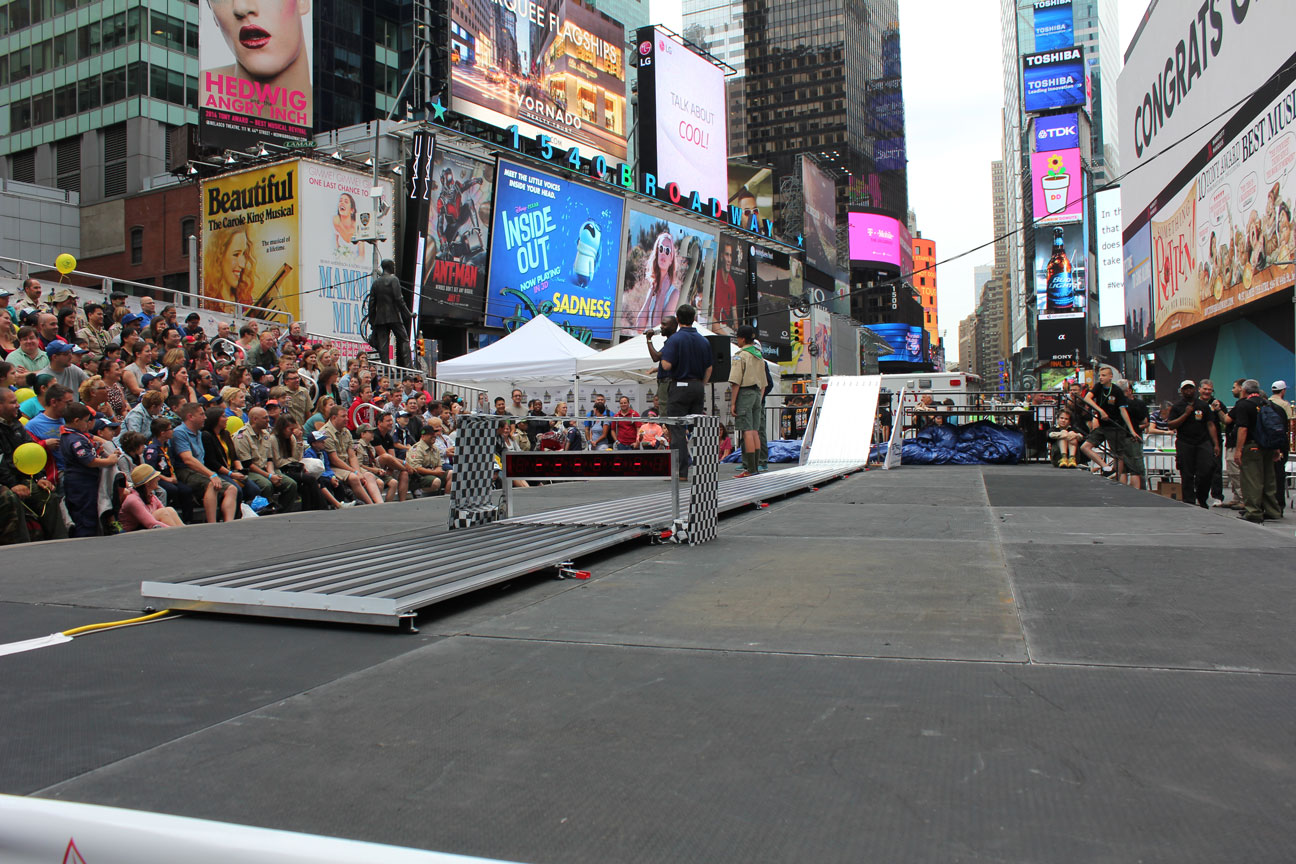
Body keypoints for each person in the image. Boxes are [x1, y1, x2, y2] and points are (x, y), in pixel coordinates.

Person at [202, 0, 312, 128]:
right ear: (213, 15)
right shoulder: (199, 99)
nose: (241, 8)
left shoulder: (329, 122)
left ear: (302, 1)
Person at [0, 387, 67, 543]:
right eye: (12, 402)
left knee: (47, 494)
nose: (18, 405)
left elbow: (32, 451)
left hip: (23, 478)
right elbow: (1, 463)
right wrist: (13, 485)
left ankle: (59, 541)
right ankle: (23, 544)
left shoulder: (16, 425)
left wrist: (40, 477)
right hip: (6, 482)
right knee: (11, 498)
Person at [659, 303, 713, 481]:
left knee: (677, 431)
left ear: (678, 319)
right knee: (699, 429)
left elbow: (666, 365)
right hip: (698, 386)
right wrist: (700, 384)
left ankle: (681, 473)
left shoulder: (675, 340)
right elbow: (710, 368)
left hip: (679, 386)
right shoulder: (704, 340)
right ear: (694, 318)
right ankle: (705, 471)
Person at [171, 402, 239, 524]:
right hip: (185, 471)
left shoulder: (200, 433)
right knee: (212, 484)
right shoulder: (180, 433)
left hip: (200, 470)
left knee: (232, 489)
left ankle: (229, 523)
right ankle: (211, 524)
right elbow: (188, 460)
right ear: (190, 416)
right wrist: (211, 474)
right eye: (201, 414)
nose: (205, 417)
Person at [59, 403, 116, 536]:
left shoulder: (78, 435)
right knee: (85, 513)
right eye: (86, 421)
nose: (88, 424)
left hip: (87, 480)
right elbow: (89, 461)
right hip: (81, 482)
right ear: (76, 421)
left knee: (92, 510)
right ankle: (85, 538)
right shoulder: (75, 440)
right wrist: (109, 461)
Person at [1232, 379, 1283, 523]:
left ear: (1244, 390)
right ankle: (1273, 510)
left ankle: (1253, 511)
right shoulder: (1267, 403)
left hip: (1252, 446)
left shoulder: (1244, 404)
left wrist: (1238, 451)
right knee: (1269, 479)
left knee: (1252, 480)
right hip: (1268, 446)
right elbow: (1272, 427)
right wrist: (1276, 448)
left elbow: (1243, 428)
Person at [235, 406, 298, 512]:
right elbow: (247, 464)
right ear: (255, 419)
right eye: (265, 418)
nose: (268, 420)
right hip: (250, 471)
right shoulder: (242, 436)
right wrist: (269, 476)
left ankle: (283, 512)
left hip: (265, 468)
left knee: (291, 484)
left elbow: (269, 459)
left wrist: (272, 474)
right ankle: (267, 511)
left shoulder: (265, 434)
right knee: (266, 485)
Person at [1165, 380, 1217, 508]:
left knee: (1206, 471)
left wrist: (1216, 444)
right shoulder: (1177, 407)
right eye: (1186, 389)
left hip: (1202, 442)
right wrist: (1186, 413)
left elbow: (1210, 424)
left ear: (1195, 390)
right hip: (1185, 442)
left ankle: (1202, 498)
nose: (1189, 391)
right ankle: (1189, 500)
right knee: (1187, 473)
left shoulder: (1203, 405)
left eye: (1191, 388)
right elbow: (1171, 424)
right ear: (1181, 391)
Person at [1079, 367, 1138, 475]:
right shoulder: (1098, 387)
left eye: (1104, 375)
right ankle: (1105, 466)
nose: (1101, 377)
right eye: (1100, 375)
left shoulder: (1117, 391)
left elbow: (1123, 411)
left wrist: (1132, 430)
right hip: (1102, 426)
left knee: (1118, 454)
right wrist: (1100, 411)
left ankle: (1117, 476)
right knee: (1085, 447)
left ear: (1111, 377)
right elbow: (1087, 398)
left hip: (1115, 426)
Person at [728, 325, 769, 478]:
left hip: (745, 394)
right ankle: (756, 467)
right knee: (755, 431)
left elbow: (736, 381)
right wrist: (758, 396)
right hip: (758, 394)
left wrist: (733, 403)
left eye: (738, 338)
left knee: (747, 432)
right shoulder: (759, 356)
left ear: (742, 339)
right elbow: (764, 383)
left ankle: (750, 469)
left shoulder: (741, 355)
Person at [321, 405, 384, 504]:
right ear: (334, 417)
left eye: (347, 416)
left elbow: (352, 455)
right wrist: (355, 473)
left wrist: (358, 472)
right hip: (334, 467)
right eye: (343, 416)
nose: (347, 419)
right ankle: (371, 505)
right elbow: (334, 459)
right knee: (354, 478)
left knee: (369, 476)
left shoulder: (346, 431)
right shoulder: (326, 433)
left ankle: (379, 504)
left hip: (348, 464)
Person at [630, 232, 680, 332]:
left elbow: (659, 330)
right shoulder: (652, 288)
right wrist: (650, 294)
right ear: (656, 253)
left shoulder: (674, 293)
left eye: (667, 251)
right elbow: (639, 328)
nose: (663, 254)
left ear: (671, 259)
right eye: (660, 249)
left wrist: (661, 296)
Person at [368, 259, 412, 368]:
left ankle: (387, 369)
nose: (394, 267)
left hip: (380, 318)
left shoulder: (376, 283)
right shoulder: (394, 280)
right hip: (394, 316)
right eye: (393, 265)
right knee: (404, 339)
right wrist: (408, 314)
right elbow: (399, 299)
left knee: (383, 344)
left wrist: (372, 320)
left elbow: (371, 304)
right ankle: (408, 366)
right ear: (390, 266)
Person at [119, 464, 184, 530]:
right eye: (155, 477)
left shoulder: (150, 495)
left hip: (144, 527)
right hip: (132, 533)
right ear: (147, 483)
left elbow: (164, 510)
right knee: (162, 513)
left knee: (170, 510)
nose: (158, 479)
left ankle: (184, 533)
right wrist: (175, 531)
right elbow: (151, 523)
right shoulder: (133, 500)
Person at [1117, 379, 1148, 489]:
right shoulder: (1135, 404)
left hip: (1119, 437)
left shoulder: (1115, 404)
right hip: (1133, 437)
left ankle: (1122, 492)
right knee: (1135, 469)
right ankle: (1137, 494)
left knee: (1123, 468)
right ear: (1129, 390)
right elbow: (1145, 422)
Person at [644, 316, 678, 410]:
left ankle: (665, 425)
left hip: (667, 382)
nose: (661, 327)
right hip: (667, 381)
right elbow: (670, 364)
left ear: (673, 327)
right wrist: (655, 369)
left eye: (664, 324)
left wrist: (649, 339)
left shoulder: (672, 342)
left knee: (664, 409)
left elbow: (656, 357)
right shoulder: (673, 341)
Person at [1270, 379, 1292, 514]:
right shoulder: (1284, 405)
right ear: (1283, 391)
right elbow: (1290, 424)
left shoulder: (1267, 403)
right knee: (1279, 473)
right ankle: (1279, 503)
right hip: (1281, 443)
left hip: (1268, 443)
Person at [406, 425, 447, 495]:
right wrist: (434, 473)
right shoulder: (417, 449)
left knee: (451, 474)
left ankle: (447, 497)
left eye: (434, 435)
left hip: (433, 472)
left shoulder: (435, 448)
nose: (434, 436)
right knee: (436, 481)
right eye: (430, 435)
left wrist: (438, 470)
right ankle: (419, 492)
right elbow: (416, 468)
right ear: (423, 437)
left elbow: (439, 464)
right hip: (419, 476)